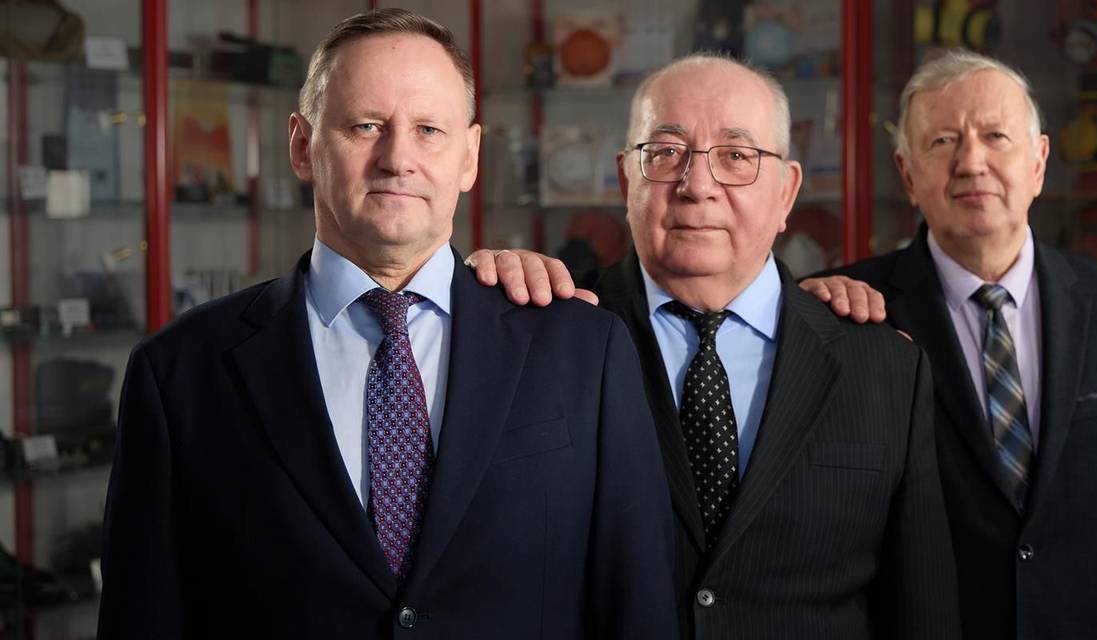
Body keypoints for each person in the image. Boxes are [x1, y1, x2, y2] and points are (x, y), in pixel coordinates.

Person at [96, 9, 676, 639]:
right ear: (301, 146)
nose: (398, 158)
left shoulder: (582, 348)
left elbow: (636, 603)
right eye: (365, 126)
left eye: (429, 130)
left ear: (470, 157)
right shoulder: (180, 371)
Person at [476, 54, 960, 639]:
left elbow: (922, 609)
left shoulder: (885, 366)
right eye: (666, 152)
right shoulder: (545, 339)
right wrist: (473, 294)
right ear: (627, 179)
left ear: (787, 192)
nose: (697, 186)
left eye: (736, 157)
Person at [803, 49, 1097, 639]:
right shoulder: (847, 314)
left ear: (1038, 162)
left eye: (995, 136)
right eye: (942, 142)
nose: (971, 162)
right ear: (907, 175)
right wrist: (798, 315)